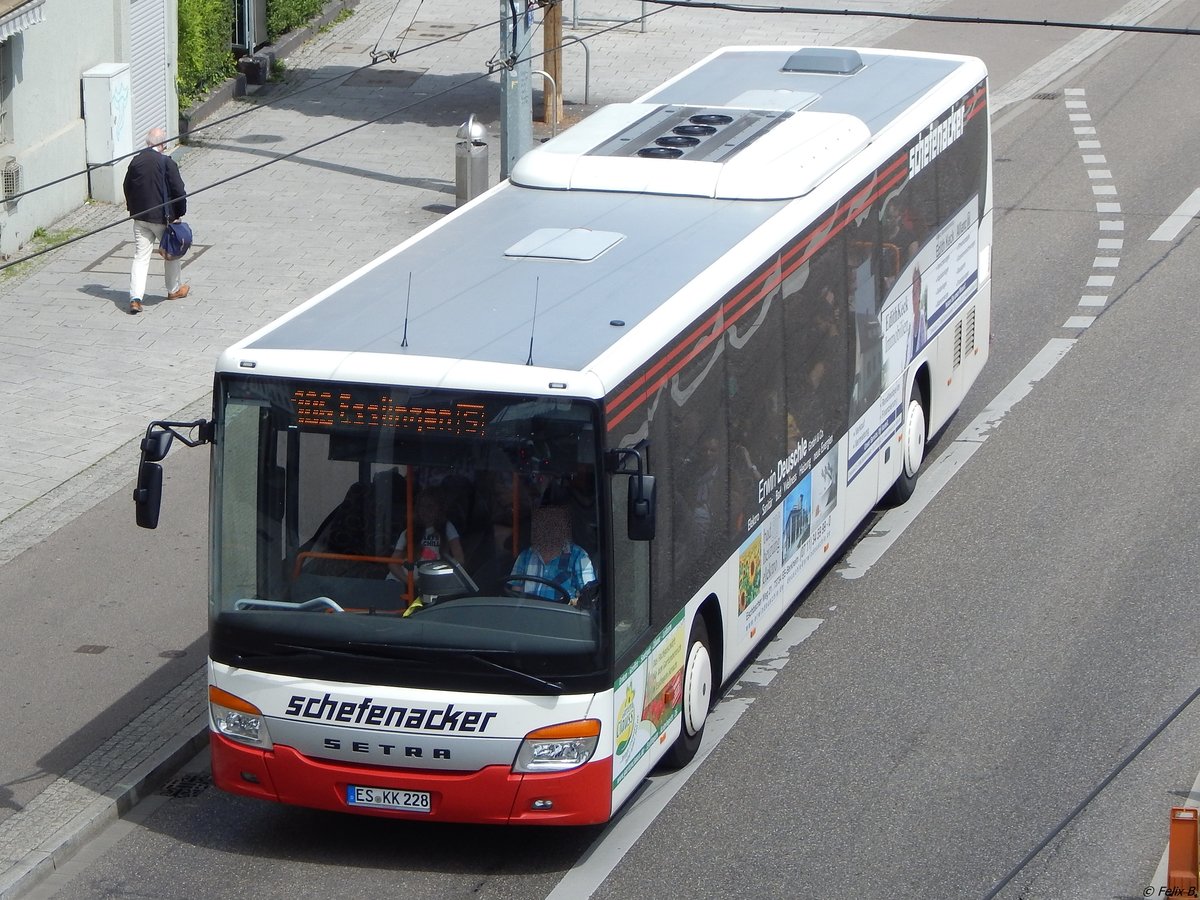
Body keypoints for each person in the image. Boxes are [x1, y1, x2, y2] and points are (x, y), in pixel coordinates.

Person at [123, 127, 189, 315]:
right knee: (171, 253)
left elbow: (127, 186)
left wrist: (133, 209)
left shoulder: (136, 161)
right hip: (161, 219)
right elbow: (178, 190)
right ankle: (174, 289)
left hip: (140, 218)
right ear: (162, 144)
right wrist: (179, 213)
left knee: (140, 257)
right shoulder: (166, 162)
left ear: (147, 143)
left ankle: (135, 298)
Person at [509, 505, 595, 603]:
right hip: (529, 615)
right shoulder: (525, 556)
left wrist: (574, 603)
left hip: (562, 616)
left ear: (564, 528)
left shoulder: (579, 557)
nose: (548, 529)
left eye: (554, 524)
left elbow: (589, 598)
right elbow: (515, 595)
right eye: (543, 523)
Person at [387, 487, 465, 581]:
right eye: (422, 506)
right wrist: (410, 582)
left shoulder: (447, 527)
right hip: (401, 581)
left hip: (432, 583)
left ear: (439, 509)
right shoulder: (409, 532)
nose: (425, 511)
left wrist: (443, 578)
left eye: (430, 507)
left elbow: (459, 559)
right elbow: (393, 563)